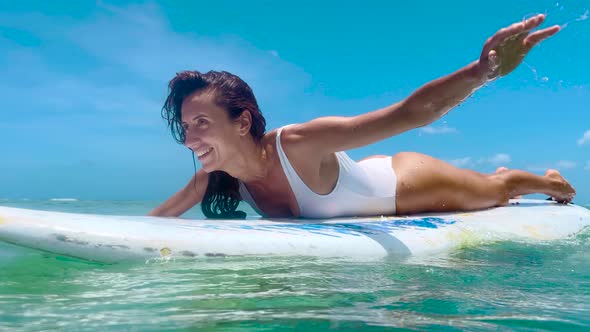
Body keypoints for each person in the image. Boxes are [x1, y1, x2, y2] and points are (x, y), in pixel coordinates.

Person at [149, 14, 575, 219]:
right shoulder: (215, 174)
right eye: (186, 127)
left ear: (242, 122)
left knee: (499, 191)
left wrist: (484, 71)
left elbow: (410, 113)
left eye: (201, 124)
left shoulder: (297, 144)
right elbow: (155, 224)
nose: (189, 140)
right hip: (362, 179)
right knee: (493, 189)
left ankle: (545, 180)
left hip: (407, 185)